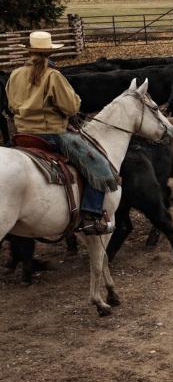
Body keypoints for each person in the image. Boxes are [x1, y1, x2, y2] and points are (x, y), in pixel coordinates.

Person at [4, 31, 118, 235]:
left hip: (22, 135)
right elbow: (72, 107)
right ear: (49, 53)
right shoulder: (52, 76)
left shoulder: (14, 75)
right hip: (52, 134)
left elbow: (11, 105)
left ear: (29, 52)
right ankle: (91, 216)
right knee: (99, 166)